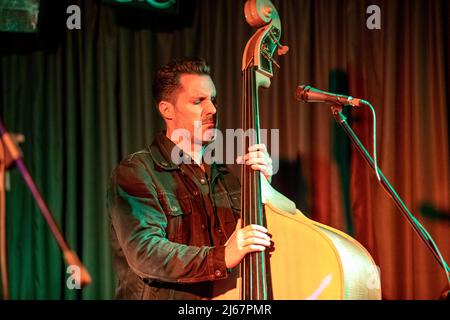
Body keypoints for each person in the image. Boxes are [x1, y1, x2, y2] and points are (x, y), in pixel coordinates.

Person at [107, 58, 273, 299]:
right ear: (167, 110)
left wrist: (265, 188)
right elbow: (146, 253)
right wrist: (223, 256)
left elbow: (252, 243)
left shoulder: (226, 177)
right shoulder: (136, 171)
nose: (213, 110)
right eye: (198, 101)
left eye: (213, 99)